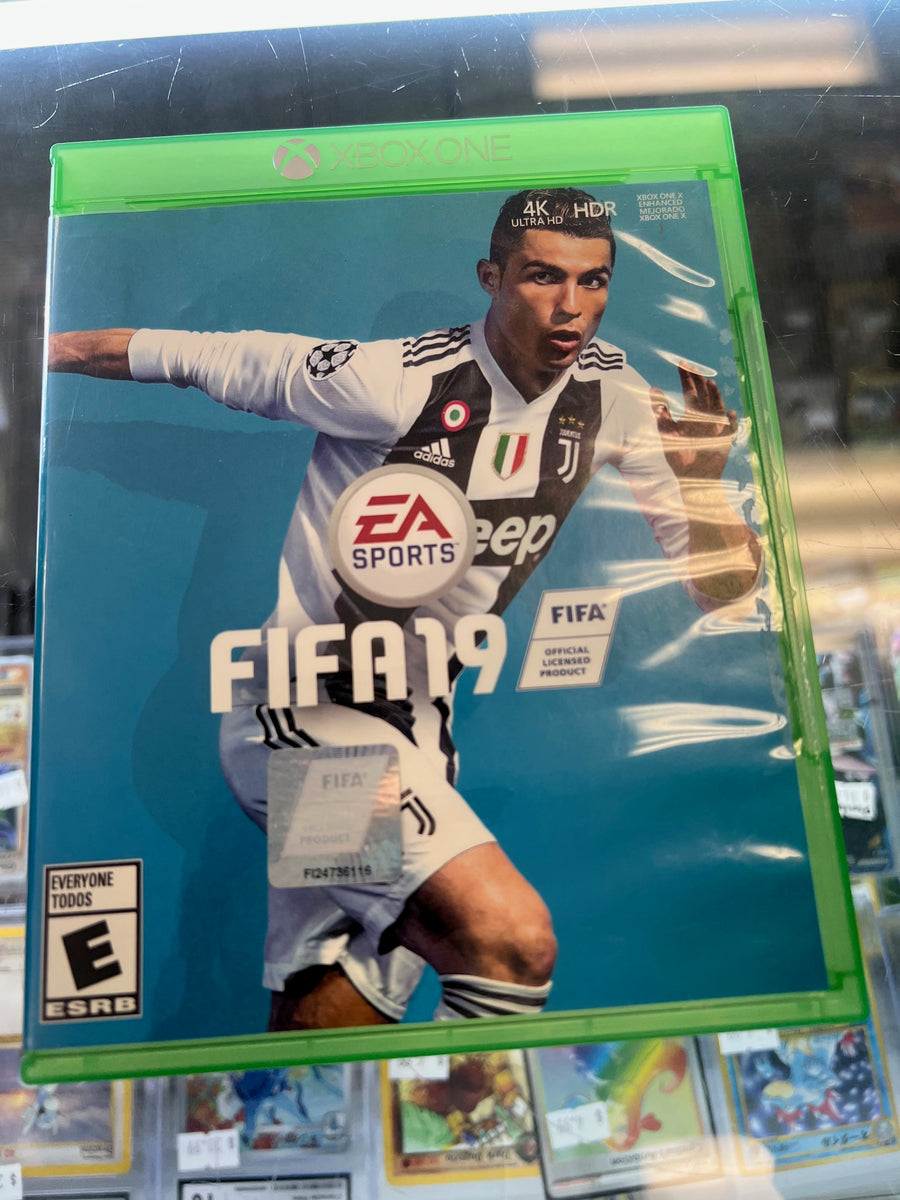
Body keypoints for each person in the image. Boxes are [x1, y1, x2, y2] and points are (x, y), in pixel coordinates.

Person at [48, 188, 761, 1034]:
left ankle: (302, 1113)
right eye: (543, 276)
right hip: (307, 722)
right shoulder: (397, 380)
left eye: (593, 280)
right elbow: (191, 355)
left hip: (417, 739)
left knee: (333, 1009)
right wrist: (36, 350)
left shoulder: (616, 399)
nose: (571, 305)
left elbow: (723, 589)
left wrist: (703, 486)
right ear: (492, 278)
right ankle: (482, 1120)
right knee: (510, 943)